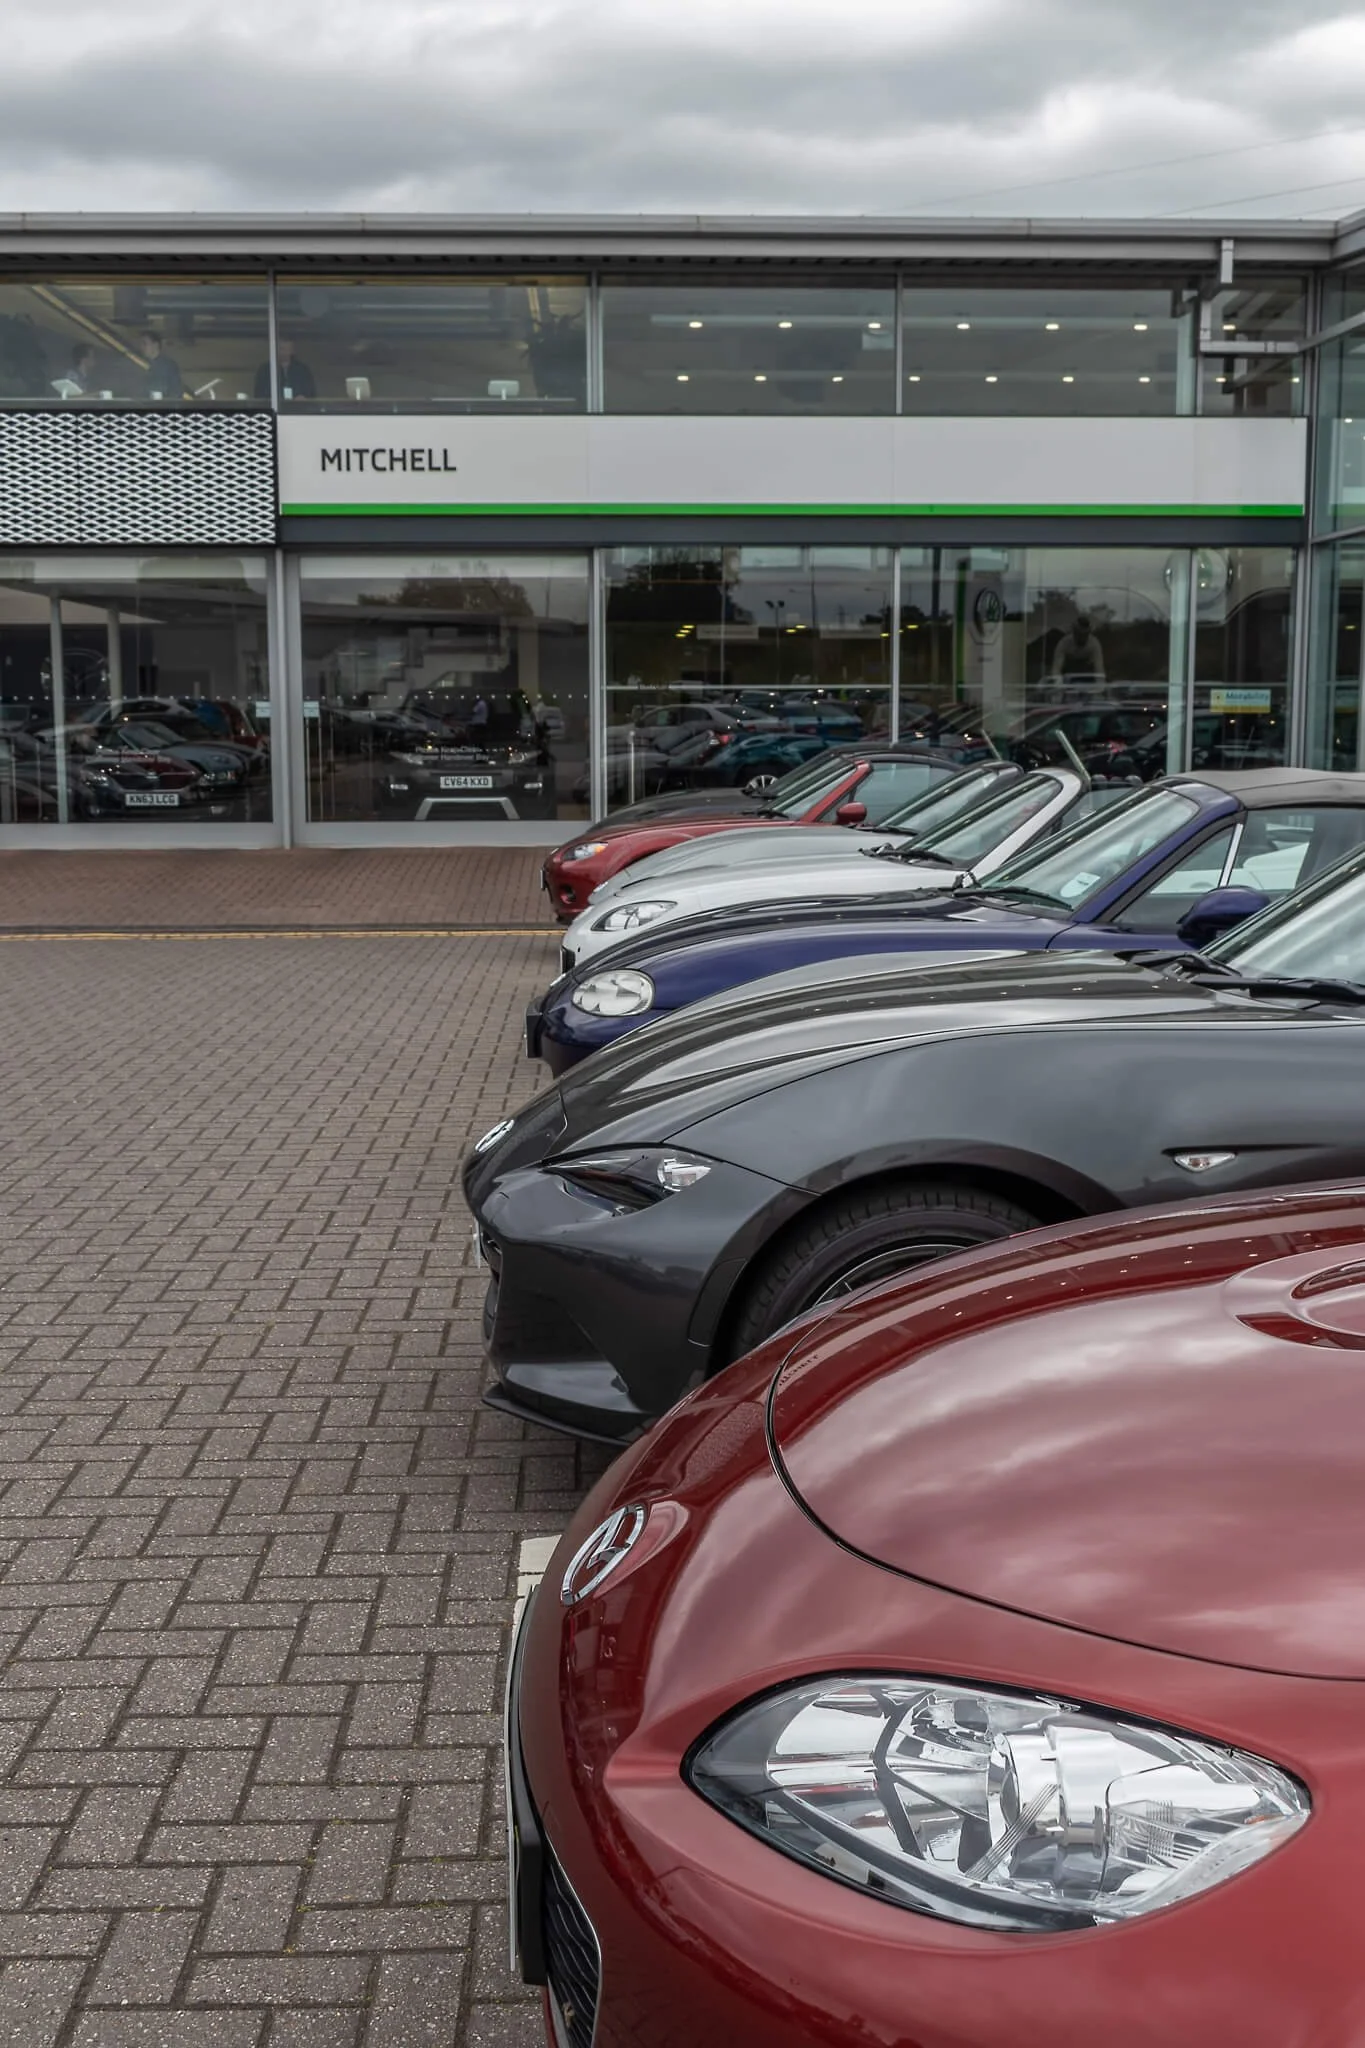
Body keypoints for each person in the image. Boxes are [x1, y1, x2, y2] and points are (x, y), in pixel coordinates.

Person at [1049, 612, 1106, 685]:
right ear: (1074, 632)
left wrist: (1099, 687)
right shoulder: (1064, 643)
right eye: (1079, 634)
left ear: (1089, 633)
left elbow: (1099, 670)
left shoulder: (1094, 644)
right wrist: (1057, 684)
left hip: (1088, 683)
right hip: (1067, 683)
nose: (1082, 637)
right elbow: (1056, 669)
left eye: (1085, 634)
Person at [254, 338, 316, 403]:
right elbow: (259, 395)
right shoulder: (265, 370)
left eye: (286, 349)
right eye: (281, 349)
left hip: (298, 410)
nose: (283, 352)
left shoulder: (303, 370)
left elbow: (311, 394)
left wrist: (303, 398)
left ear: (292, 351)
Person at [140, 331, 184, 402]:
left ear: (155, 345)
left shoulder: (169, 366)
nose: (142, 347)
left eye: (145, 344)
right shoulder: (142, 364)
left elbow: (176, 392)